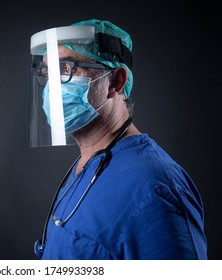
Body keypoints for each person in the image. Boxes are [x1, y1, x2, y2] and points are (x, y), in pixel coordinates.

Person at [29, 19, 207, 259]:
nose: (51, 87)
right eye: (46, 73)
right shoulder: (89, 165)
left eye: (66, 69)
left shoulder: (155, 188)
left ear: (116, 82)